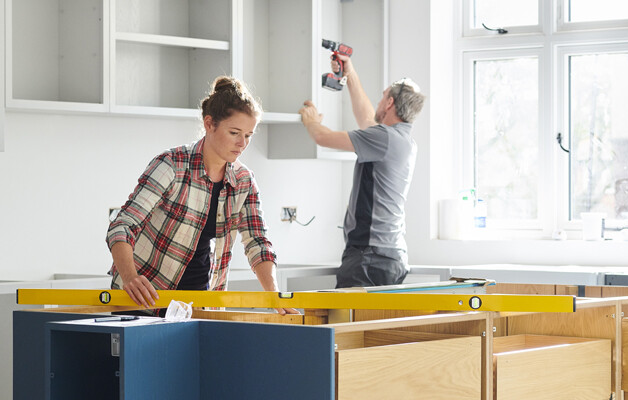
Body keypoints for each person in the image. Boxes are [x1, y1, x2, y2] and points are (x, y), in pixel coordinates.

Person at [107, 76, 298, 315]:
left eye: (248, 135)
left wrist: (275, 297)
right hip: (143, 302)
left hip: (198, 306)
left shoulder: (243, 181)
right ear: (209, 124)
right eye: (235, 132)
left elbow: (258, 243)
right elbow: (122, 226)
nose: (242, 143)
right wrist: (130, 278)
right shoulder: (172, 165)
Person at [299, 55, 425, 288]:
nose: (378, 102)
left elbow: (322, 137)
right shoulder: (401, 139)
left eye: (382, 97)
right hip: (388, 255)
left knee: (347, 323)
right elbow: (367, 118)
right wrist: (350, 74)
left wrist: (311, 120)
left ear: (389, 104)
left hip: (369, 257)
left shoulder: (384, 138)